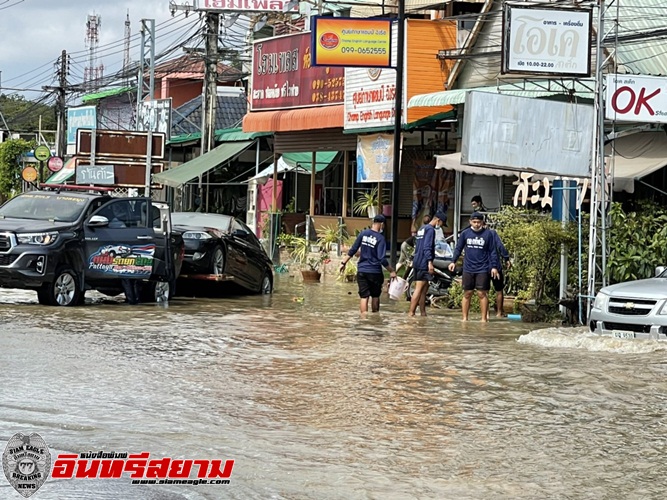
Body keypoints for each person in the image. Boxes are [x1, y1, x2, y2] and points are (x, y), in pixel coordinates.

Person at [340, 214, 397, 314]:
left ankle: (364, 320)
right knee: (375, 296)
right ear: (382, 224)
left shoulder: (363, 234)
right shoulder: (380, 238)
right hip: (375, 272)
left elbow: (353, 249)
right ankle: (375, 321)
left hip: (362, 271)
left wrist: (343, 262)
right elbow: (381, 258)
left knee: (364, 296)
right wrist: (391, 270)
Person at [448, 212, 499, 322]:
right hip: (468, 268)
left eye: (478, 222)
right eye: (474, 222)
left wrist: (494, 266)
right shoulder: (465, 234)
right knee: (467, 293)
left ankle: (484, 319)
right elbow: (458, 248)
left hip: (483, 268)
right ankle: (465, 319)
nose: (476, 224)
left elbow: (493, 251)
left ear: (482, 222)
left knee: (482, 293)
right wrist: (453, 261)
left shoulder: (488, 234)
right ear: (470, 221)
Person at [408, 210, 447, 317]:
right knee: (419, 288)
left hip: (417, 260)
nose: (441, 226)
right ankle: (411, 313)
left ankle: (423, 313)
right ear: (438, 220)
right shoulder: (430, 230)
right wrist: (430, 262)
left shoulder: (422, 228)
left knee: (424, 289)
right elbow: (427, 247)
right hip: (423, 262)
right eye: (442, 224)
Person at [487, 221, 511, 318]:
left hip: (482, 266)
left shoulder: (474, 234)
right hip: (495, 266)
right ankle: (499, 313)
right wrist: (506, 258)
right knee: (499, 290)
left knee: (485, 291)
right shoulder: (492, 233)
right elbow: (500, 246)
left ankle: (486, 314)